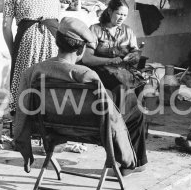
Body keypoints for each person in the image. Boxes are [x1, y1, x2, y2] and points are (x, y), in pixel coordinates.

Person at [14, 17, 148, 174]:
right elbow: (112, 118)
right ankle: (134, 163)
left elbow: (21, 112)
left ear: (57, 42)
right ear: (80, 50)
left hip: (52, 129)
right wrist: (125, 155)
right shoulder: (87, 75)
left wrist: (23, 145)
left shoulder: (32, 72)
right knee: (134, 108)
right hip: (91, 131)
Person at [2, 0, 60, 113]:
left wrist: (12, 49)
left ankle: (23, 116)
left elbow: (5, 26)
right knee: (50, 76)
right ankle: (49, 114)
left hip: (27, 35)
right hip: (52, 35)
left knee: (24, 76)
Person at [80, 0, 144, 105]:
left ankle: (135, 113)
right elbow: (87, 59)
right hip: (101, 70)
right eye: (119, 14)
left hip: (122, 69)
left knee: (141, 81)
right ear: (110, 11)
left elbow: (136, 51)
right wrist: (110, 60)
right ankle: (118, 116)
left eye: (124, 15)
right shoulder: (95, 29)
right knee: (120, 85)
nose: (122, 18)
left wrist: (135, 55)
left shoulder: (127, 31)